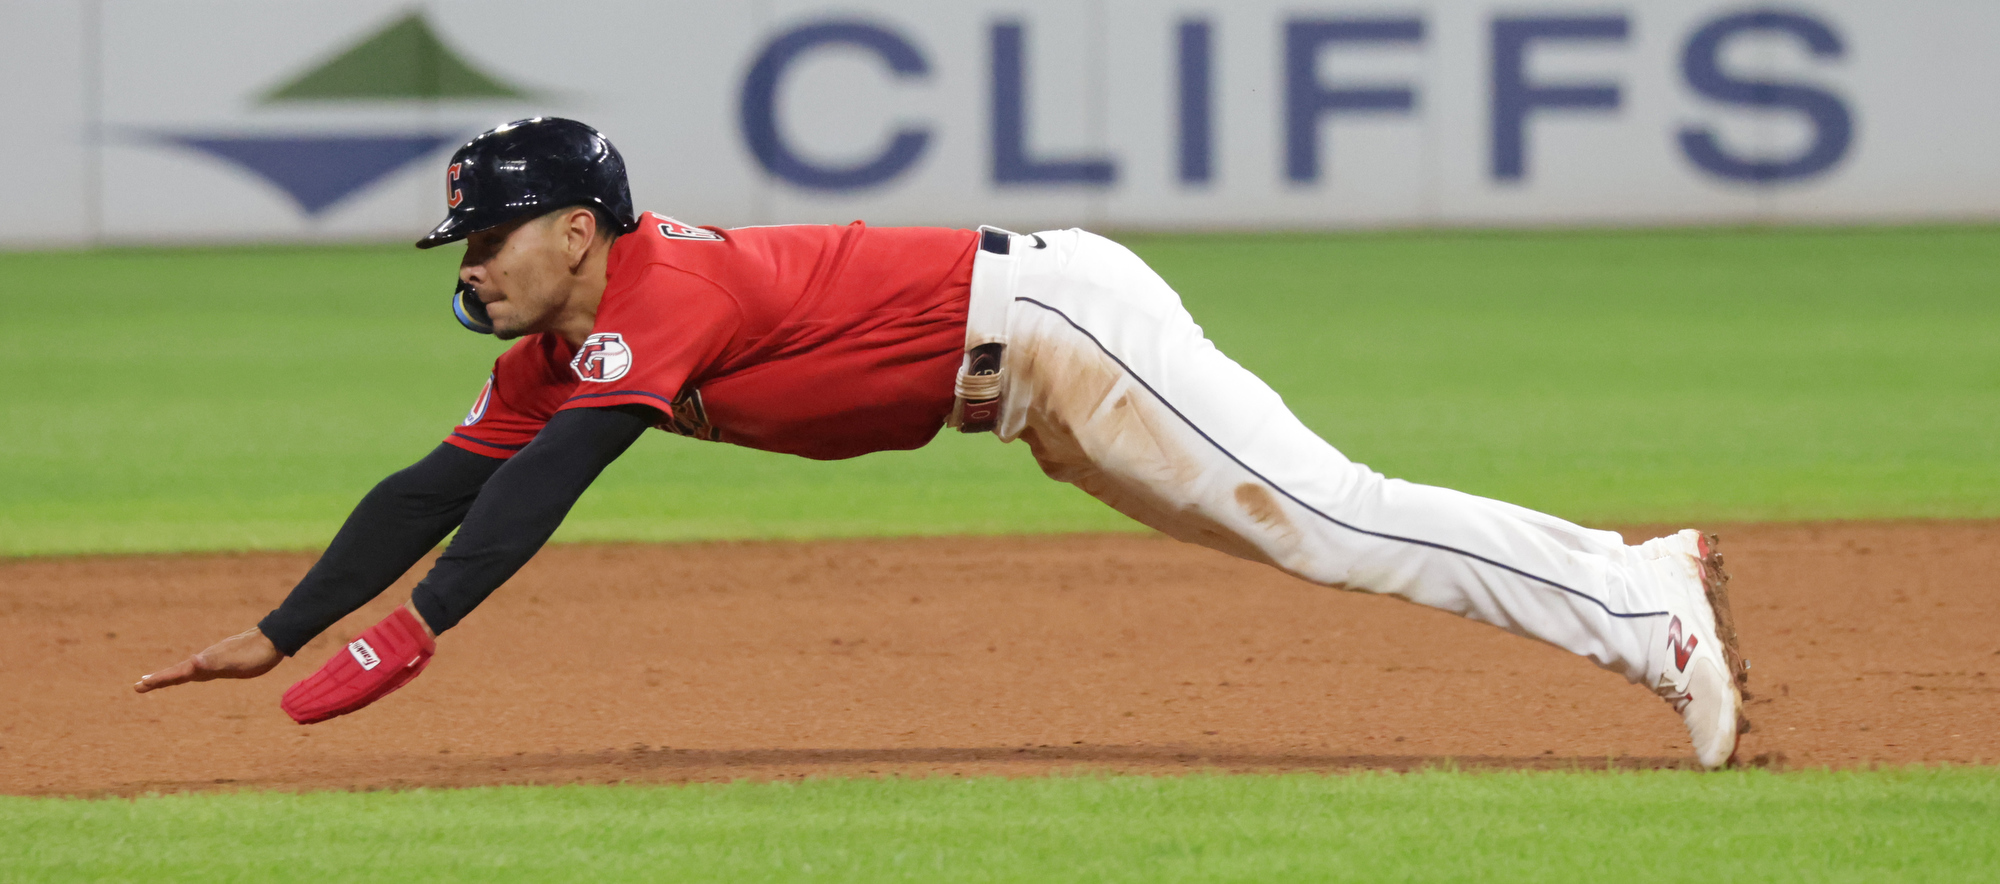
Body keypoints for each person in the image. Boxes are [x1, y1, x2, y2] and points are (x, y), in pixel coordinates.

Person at [135, 117, 1750, 768]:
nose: (471, 270)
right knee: (1302, 529)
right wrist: (283, 627)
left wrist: (406, 639)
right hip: (1022, 390)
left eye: (488, 242)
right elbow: (448, 480)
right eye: (460, 249)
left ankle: (1639, 606)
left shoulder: (659, 293)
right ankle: (1636, 579)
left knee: (1327, 515)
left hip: (1051, 326)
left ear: (576, 229)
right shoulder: (571, 334)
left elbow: (557, 479)